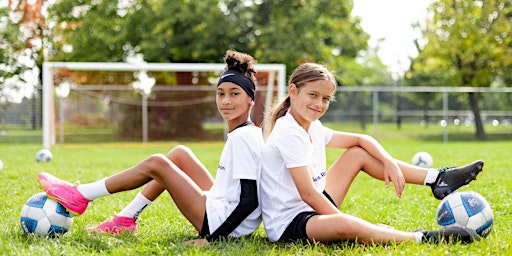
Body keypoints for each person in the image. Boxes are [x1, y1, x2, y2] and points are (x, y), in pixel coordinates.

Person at [38, 50, 264, 246]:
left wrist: (213, 238)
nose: (225, 101)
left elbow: (250, 199)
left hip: (221, 224)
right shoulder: (246, 132)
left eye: (235, 94)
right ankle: (125, 219)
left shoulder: (242, 138)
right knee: (179, 154)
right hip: (222, 210)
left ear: (250, 100)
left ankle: (81, 195)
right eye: (220, 93)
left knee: (157, 163)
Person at [259, 62, 484, 244]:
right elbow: (308, 194)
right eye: (313, 95)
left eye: (326, 99)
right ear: (293, 91)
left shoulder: (312, 125)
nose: (319, 104)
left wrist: (388, 161)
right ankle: (421, 237)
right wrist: (358, 225)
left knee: (358, 153)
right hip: (291, 221)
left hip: (313, 204)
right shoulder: (288, 132)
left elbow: (360, 139)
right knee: (345, 226)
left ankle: (436, 179)